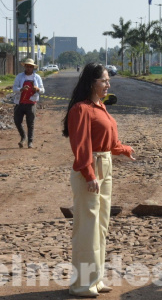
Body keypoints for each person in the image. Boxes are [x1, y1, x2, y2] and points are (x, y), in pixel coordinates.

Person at [62, 62, 135, 298]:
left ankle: (95, 279)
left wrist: (123, 149)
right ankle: (82, 284)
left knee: (101, 225)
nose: (108, 84)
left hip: (105, 165)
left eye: (108, 81)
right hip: (90, 168)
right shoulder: (81, 109)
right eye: (104, 80)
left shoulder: (101, 107)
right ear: (91, 82)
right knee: (87, 226)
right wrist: (89, 174)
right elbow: (81, 146)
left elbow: (110, 143)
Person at [12, 58, 45, 149]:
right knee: (17, 121)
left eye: (30, 67)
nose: (29, 68)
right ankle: (23, 136)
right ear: (25, 67)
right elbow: (14, 88)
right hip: (20, 103)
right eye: (27, 66)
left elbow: (42, 90)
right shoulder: (19, 76)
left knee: (30, 124)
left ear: (33, 68)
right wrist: (21, 89)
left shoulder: (37, 77)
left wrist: (37, 89)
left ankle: (30, 141)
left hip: (31, 103)